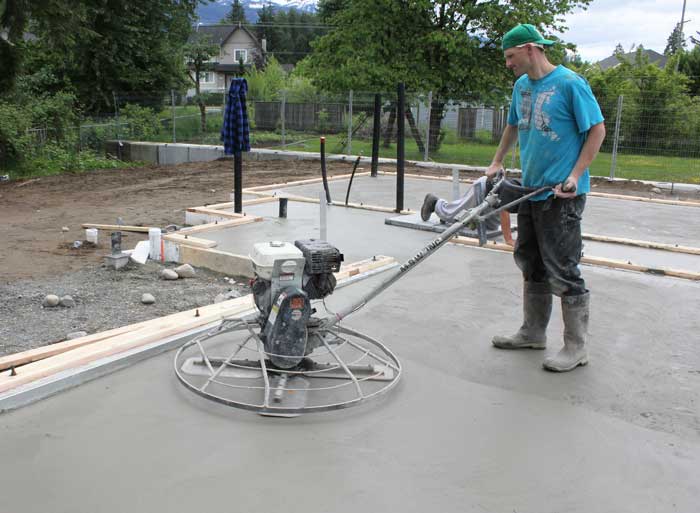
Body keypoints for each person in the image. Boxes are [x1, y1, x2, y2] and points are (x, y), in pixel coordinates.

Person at [485, 23, 606, 372]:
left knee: (563, 268)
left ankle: (576, 347)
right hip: (531, 190)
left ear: (529, 49)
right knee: (530, 260)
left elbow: (596, 130)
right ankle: (533, 332)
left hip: (561, 195)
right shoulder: (521, 87)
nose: (508, 64)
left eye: (510, 56)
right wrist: (496, 161)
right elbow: (512, 125)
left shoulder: (570, 84)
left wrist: (574, 174)